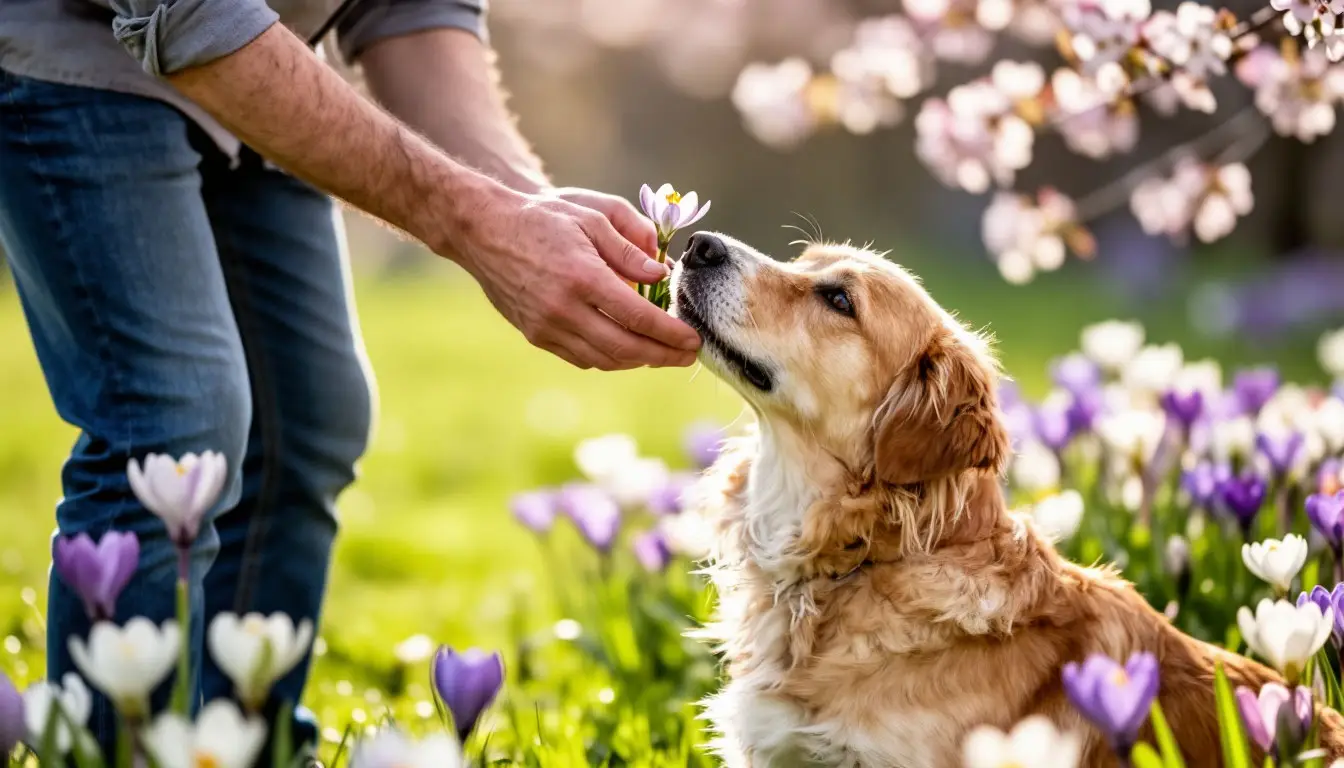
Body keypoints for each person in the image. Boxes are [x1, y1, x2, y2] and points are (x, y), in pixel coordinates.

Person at [0, 0, 702, 754]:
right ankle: (115, 752)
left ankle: (242, 742)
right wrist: (481, 225)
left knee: (309, 420)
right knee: (176, 420)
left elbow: (410, 7)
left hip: (268, 49)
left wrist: (522, 198)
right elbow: (195, 18)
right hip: (80, 52)